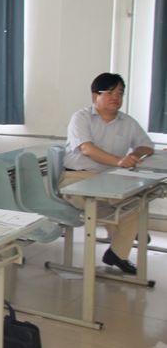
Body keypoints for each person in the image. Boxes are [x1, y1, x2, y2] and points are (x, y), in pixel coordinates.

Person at [61, 72, 154, 274]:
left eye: (120, 93)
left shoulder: (127, 121)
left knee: (134, 205)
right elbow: (87, 149)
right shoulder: (81, 117)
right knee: (119, 212)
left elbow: (147, 146)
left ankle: (118, 252)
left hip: (110, 180)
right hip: (76, 179)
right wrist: (119, 161)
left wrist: (136, 154)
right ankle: (128, 235)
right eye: (109, 92)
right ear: (95, 95)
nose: (115, 97)